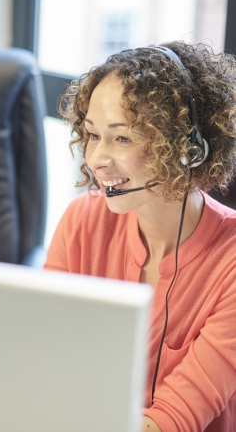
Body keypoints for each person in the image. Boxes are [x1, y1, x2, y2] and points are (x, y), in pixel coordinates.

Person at [45, 41, 236, 431]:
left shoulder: (230, 262)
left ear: (186, 148)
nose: (96, 159)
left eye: (122, 138)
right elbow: (43, 356)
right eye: (93, 135)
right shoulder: (82, 221)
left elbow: (172, 420)